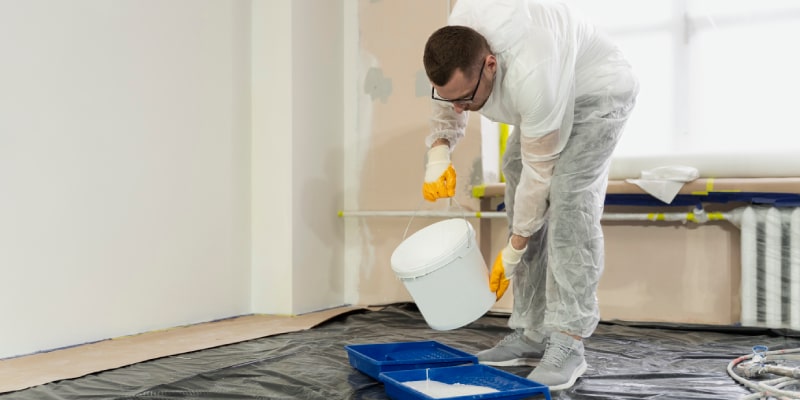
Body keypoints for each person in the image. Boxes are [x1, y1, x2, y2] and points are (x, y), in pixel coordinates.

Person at [420, 0, 639, 391]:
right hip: (552, 84)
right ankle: (532, 332)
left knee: (570, 199)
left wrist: (515, 247)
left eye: (466, 98)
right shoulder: (456, 38)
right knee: (515, 174)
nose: (459, 107)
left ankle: (568, 342)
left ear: (490, 64)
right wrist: (439, 151)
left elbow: (543, 174)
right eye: (448, 97)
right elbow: (450, 98)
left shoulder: (531, 69)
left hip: (596, 88)